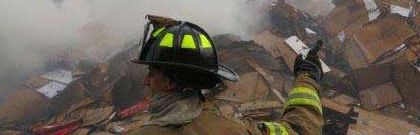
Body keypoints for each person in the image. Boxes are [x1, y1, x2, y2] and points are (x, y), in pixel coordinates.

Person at [133, 16, 324, 135]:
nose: (146, 80)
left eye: (151, 73)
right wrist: (307, 76)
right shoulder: (232, 128)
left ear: (169, 82)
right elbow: (300, 130)